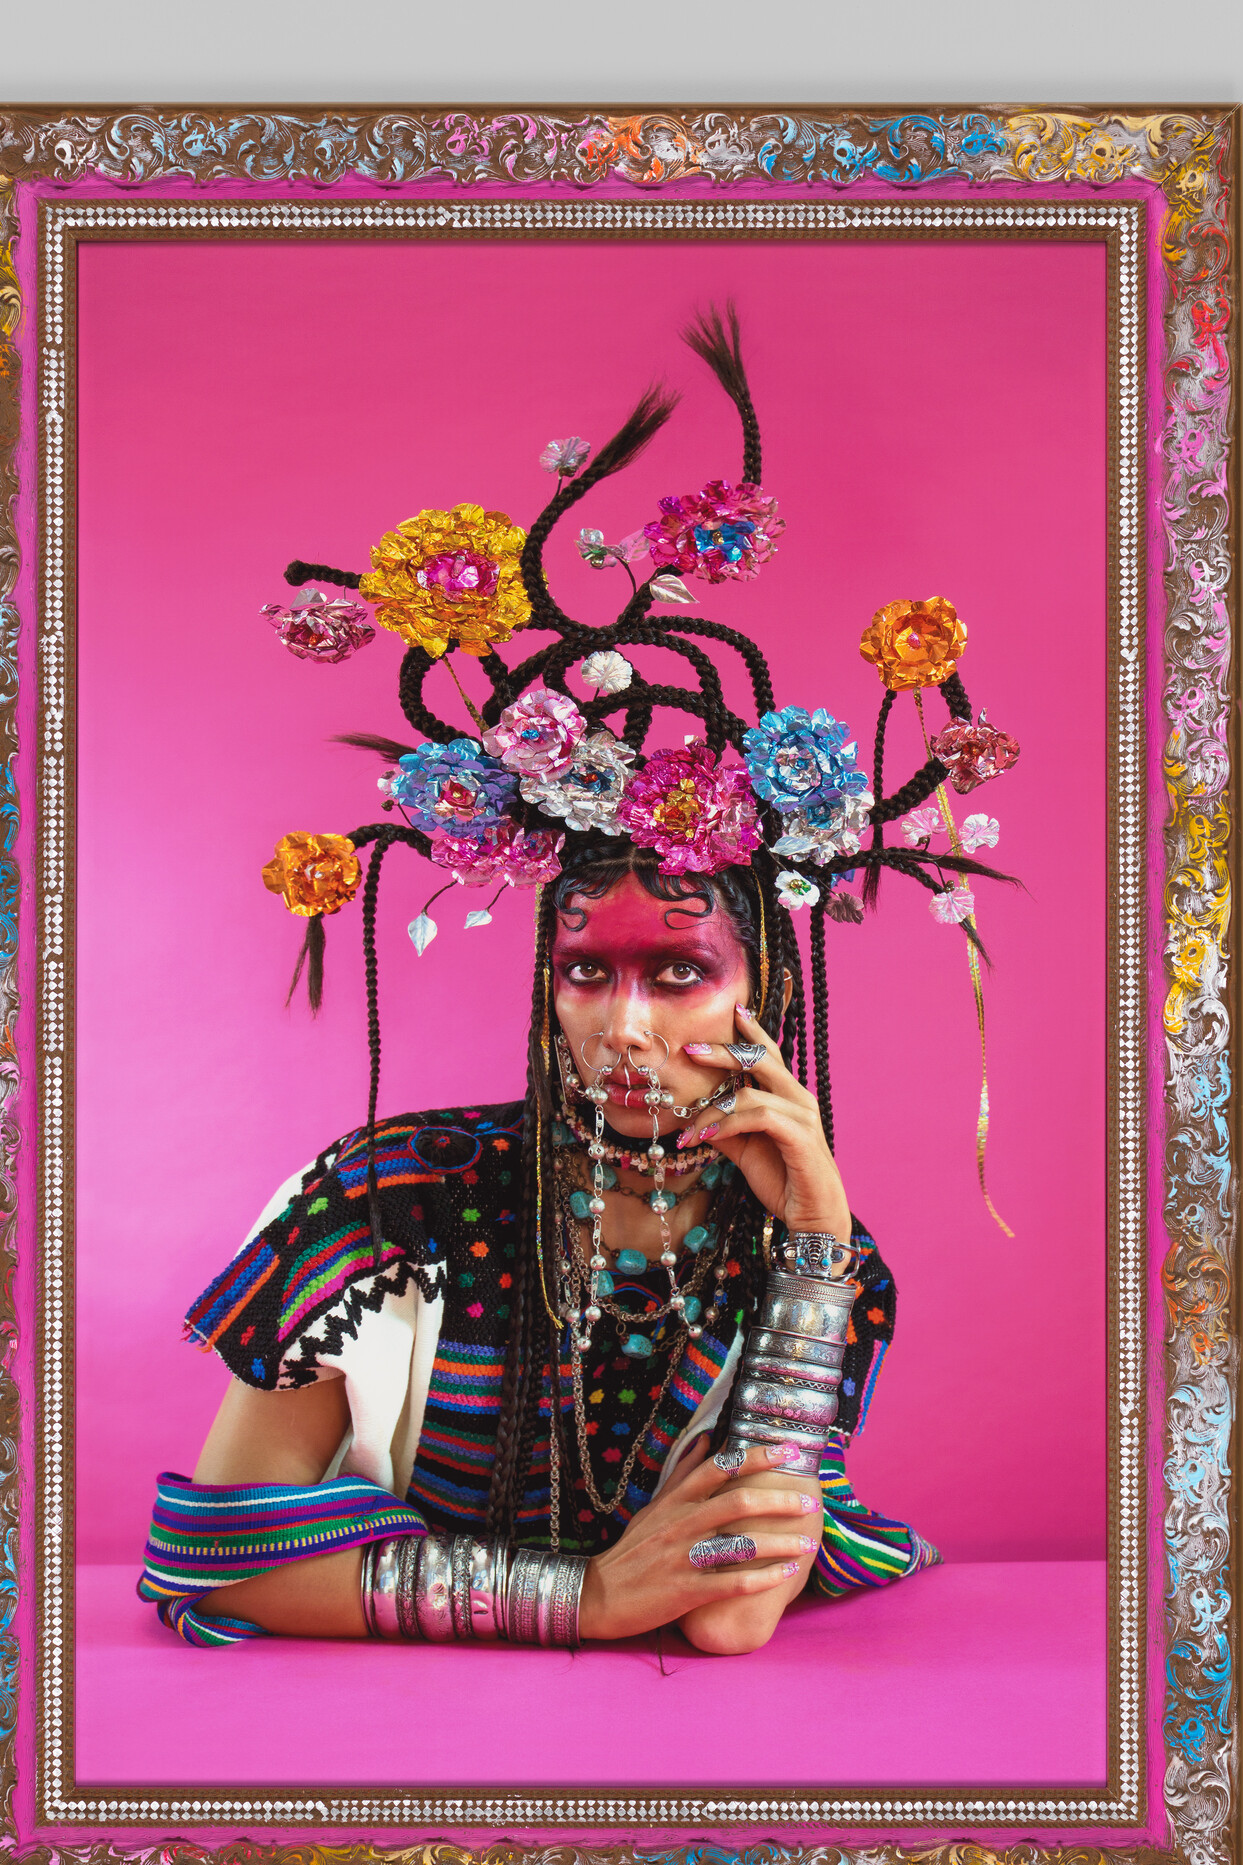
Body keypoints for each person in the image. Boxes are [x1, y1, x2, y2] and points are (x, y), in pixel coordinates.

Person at [138, 309, 1019, 1655]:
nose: (622, 1025)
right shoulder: (388, 1207)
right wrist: (589, 1602)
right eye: (584, 975)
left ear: (761, 988)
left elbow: (732, 1620)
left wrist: (818, 1243)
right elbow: (218, 1558)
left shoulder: (806, 1256)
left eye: (677, 972)